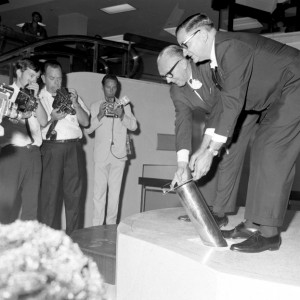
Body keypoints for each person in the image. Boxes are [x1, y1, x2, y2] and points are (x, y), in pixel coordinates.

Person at [176, 13, 300, 253]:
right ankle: (254, 223)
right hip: (281, 95)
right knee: (261, 147)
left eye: (186, 45)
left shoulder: (230, 48)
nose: (185, 53)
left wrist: (212, 152)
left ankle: (269, 234)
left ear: (201, 35)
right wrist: (203, 149)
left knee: (272, 150)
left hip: (296, 85)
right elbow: (222, 107)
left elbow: (233, 102)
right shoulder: (216, 61)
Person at [157, 45, 259, 227]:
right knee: (200, 161)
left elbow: (223, 106)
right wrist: (181, 164)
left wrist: (207, 148)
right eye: (164, 76)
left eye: (169, 74)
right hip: (214, 116)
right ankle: (206, 207)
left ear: (182, 63)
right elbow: (182, 123)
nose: (167, 80)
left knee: (227, 153)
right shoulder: (176, 90)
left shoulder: (208, 67)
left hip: (240, 111)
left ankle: (219, 213)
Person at [38, 60, 90, 235]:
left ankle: (73, 239)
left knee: (74, 198)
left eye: (60, 79)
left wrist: (75, 103)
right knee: (49, 198)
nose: (57, 83)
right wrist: (52, 118)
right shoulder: (38, 98)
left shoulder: (71, 95)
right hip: (51, 148)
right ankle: (49, 242)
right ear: (44, 78)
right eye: (52, 78)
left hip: (74, 148)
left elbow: (85, 121)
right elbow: (34, 129)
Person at [0, 58, 47, 223]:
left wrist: (36, 99)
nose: (34, 80)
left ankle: (28, 246)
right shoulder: (5, 92)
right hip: (11, 153)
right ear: (19, 72)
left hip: (34, 153)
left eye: (37, 77)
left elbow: (43, 121)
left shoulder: (35, 97)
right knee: (5, 205)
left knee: (31, 207)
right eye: (31, 75)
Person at [86, 74, 137, 226]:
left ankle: (111, 228)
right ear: (102, 88)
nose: (111, 90)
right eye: (108, 87)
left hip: (119, 156)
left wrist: (122, 116)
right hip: (101, 156)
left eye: (114, 87)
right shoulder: (95, 106)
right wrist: (100, 115)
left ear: (117, 88)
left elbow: (134, 126)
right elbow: (88, 130)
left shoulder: (124, 105)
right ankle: (96, 228)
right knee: (98, 194)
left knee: (114, 195)